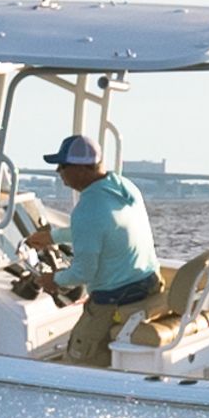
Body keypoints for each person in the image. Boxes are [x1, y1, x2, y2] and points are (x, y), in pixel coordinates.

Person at [43, 131, 163, 369]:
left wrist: (52, 280)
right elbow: (103, 228)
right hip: (149, 284)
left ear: (81, 169)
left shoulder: (88, 208)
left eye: (62, 166)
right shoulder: (123, 187)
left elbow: (83, 273)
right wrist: (52, 237)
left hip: (115, 299)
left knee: (76, 364)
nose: (58, 172)